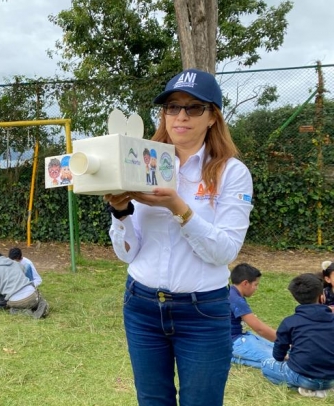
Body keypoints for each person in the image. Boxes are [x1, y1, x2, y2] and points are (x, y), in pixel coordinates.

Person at [105, 68, 253, 406]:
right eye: (172, 107)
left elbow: (224, 251)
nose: (181, 116)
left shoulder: (231, 172)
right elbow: (128, 254)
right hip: (141, 305)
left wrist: (178, 207)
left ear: (213, 116)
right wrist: (121, 212)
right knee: (152, 400)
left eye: (194, 107)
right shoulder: (142, 163)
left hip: (202, 312)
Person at [261, 273, 334, 398]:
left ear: (296, 298)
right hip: (330, 378)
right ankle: (320, 388)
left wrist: (287, 357)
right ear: (321, 297)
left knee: (266, 364)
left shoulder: (290, 322)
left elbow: (278, 355)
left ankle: (306, 387)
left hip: (303, 377)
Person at [229, 263, 276, 368]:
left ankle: (231, 356)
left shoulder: (232, 292)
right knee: (280, 357)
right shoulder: (236, 299)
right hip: (235, 341)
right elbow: (259, 328)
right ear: (245, 283)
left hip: (239, 337)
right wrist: (284, 340)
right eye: (255, 284)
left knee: (278, 348)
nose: (256, 288)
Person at [0, 253, 49, 319]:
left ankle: (24, 312)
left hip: (16, 302)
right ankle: (41, 305)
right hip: (32, 296)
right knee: (39, 299)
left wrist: (2, 304)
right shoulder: (15, 263)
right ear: (4, 258)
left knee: (13, 310)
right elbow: (25, 272)